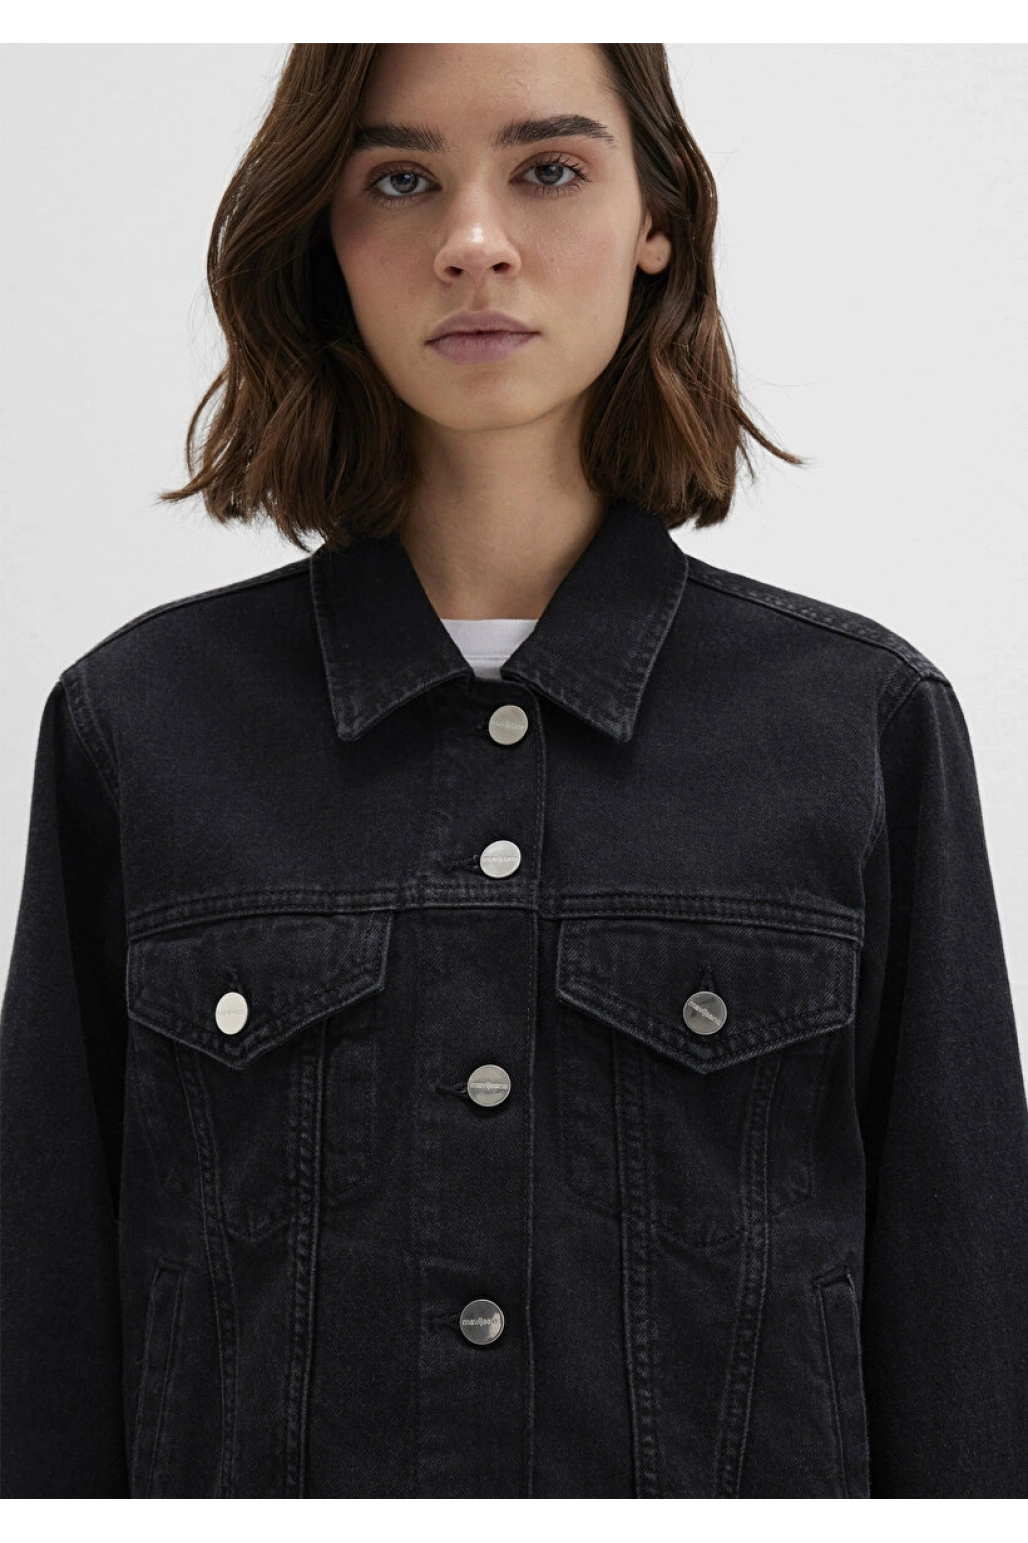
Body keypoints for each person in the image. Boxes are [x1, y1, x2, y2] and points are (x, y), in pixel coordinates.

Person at [1, 40, 1025, 1505]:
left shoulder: (863, 727)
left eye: (548, 169)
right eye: (399, 180)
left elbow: (967, 1349)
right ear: (323, 233)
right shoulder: (140, 727)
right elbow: (45, 1346)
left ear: (658, 218)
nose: (473, 243)